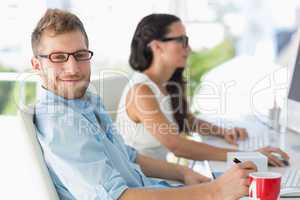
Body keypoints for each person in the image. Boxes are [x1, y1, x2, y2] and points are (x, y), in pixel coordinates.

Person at [32, 9, 257, 200]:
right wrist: (215, 190)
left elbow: (129, 156)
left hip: (151, 185)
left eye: (80, 55)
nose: (73, 68)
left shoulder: (86, 100)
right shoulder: (60, 121)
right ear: (36, 66)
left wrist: (184, 173)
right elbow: (117, 196)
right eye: (58, 57)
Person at [116, 13, 289, 166]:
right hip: (142, 180)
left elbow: (186, 121)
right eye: (181, 41)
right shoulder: (142, 91)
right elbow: (176, 145)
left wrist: (223, 132)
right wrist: (247, 156)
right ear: (157, 46)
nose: (189, 49)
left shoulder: (167, 84)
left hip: (160, 175)